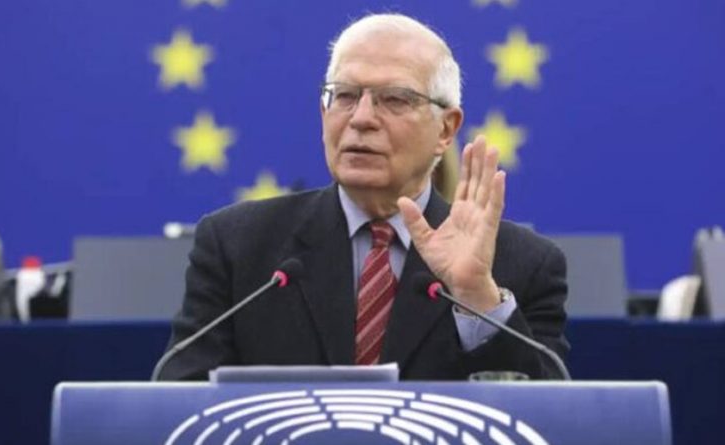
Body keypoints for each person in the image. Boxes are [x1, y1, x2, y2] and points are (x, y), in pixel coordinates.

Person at [160, 13, 569, 381]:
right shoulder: (238, 247)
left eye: (394, 99)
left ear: (446, 129)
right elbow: (178, 402)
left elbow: (550, 420)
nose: (361, 119)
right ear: (324, 112)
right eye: (345, 95)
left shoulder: (523, 265)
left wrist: (476, 296)